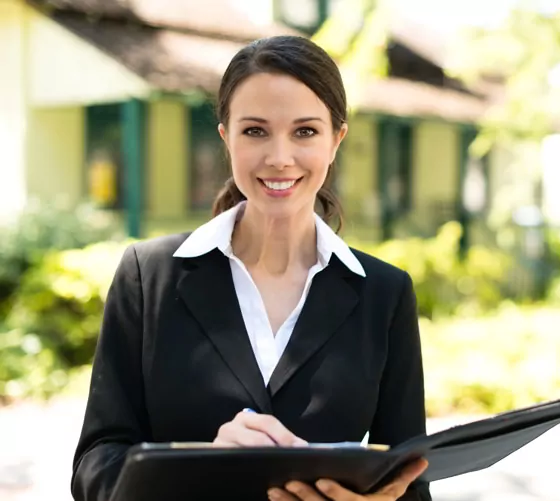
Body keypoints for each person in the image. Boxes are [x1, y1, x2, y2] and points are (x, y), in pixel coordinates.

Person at [71, 35, 431, 501]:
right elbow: (94, 468)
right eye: (255, 131)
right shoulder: (148, 277)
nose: (279, 157)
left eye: (305, 131)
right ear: (226, 137)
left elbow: (411, 481)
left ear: (336, 140)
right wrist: (201, 467)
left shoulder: (385, 293)